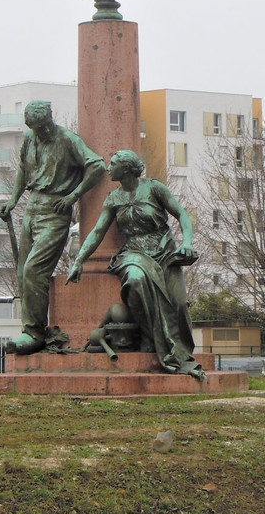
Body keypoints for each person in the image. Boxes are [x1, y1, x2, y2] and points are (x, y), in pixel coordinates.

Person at [66, 150, 204, 380]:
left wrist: (187, 243)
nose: (108, 169)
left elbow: (182, 215)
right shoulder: (113, 198)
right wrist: (79, 260)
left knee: (179, 302)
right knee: (135, 278)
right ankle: (152, 337)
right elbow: (98, 231)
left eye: (113, 164)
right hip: (134, 253)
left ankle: (178, 350)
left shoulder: (153, 188)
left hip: (163, 251)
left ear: (126, 169)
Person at [0, 101, 105, 354]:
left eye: (45, 126)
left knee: (34, 270)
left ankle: (35, 333)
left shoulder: (67, 139)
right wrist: (13, 200)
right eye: (37, 128)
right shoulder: (30, 138)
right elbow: (24, 170)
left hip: (55, 211)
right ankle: (30, 331)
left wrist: (73, 195)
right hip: (31, 208)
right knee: (23, 272)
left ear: (51, 119)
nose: (42, 132)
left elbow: (98, 165)